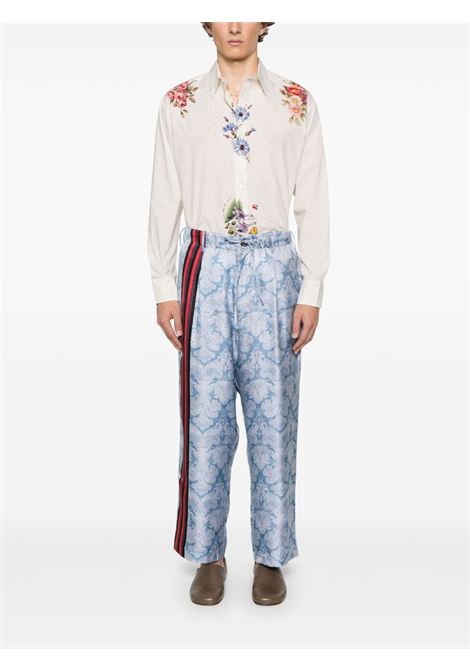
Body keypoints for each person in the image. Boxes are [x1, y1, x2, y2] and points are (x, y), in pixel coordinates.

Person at [147, 22, 330, 606]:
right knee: (206, 414)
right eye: (222, 11)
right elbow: (165, 195)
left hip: (274, 266)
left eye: (246, 12)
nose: (233, 23)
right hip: (206, 264)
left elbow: (312, 196)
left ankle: (271, 554)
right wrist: (163, 284)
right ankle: (209, 553)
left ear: (264, 21)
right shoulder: (179, 104)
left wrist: (312, 287)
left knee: (274, 415)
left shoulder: (296, 102)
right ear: (206, 21)